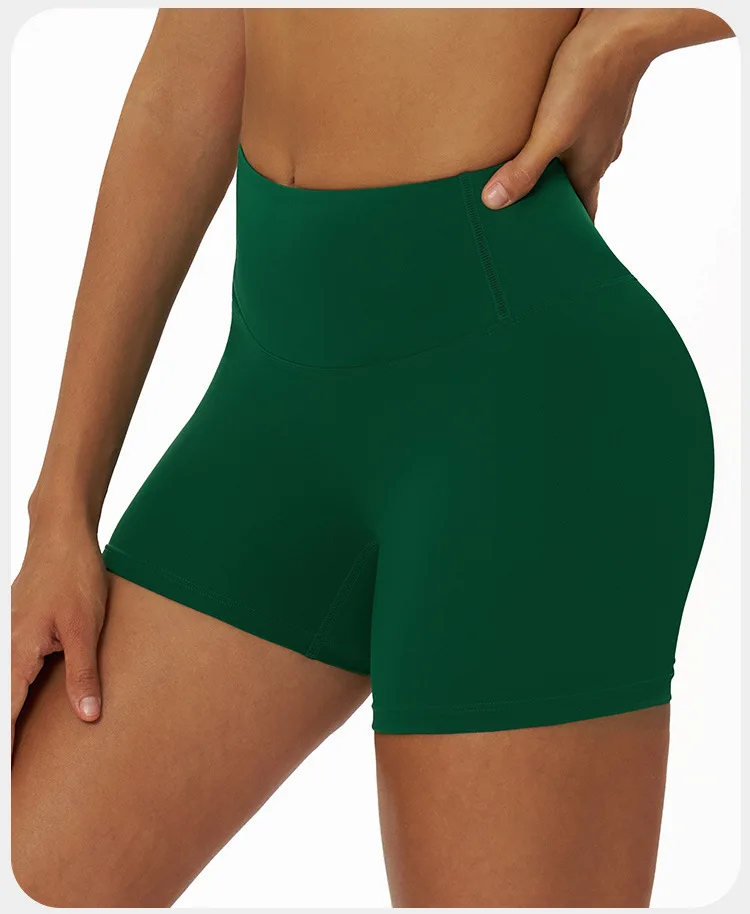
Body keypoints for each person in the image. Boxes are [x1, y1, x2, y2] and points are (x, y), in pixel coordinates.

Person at [11, 7, 735, 908]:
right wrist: (62, 505)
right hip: (275, 395)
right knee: (59, 857)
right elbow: (178, 90)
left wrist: (630, 32)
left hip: (516, 400)